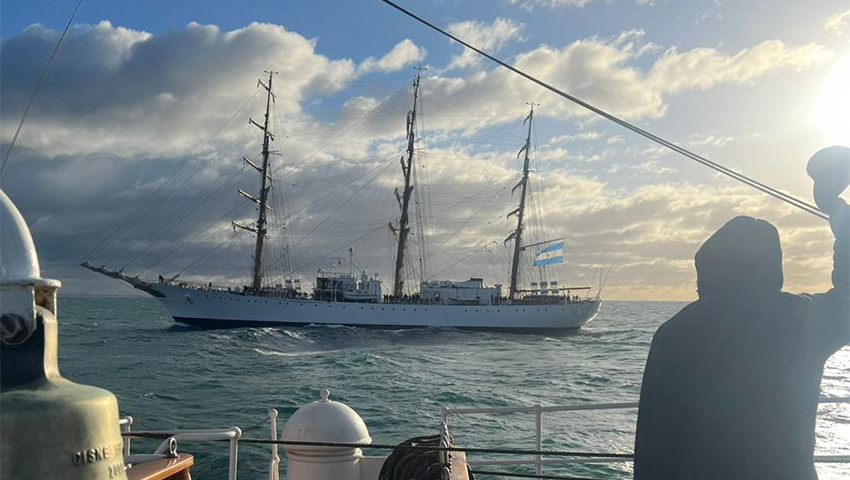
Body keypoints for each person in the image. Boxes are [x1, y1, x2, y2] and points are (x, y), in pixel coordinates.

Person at [633, 146, 849, 480]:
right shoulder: (805, 320)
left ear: (707, 269)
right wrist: (837, 211)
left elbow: (654, 447)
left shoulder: (676, 332)